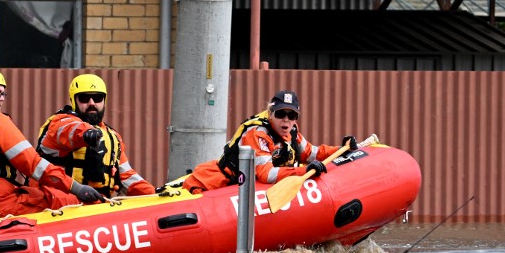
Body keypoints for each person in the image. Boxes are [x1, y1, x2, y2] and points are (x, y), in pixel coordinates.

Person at [0, 68, 105, 223]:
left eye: (3, 94)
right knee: (62, 199)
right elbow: (31, 163)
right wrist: (76, 188)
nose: (1, 99)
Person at [182, 90, 357, 193]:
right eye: (281, 114)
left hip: (244, 187)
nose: (286, 120)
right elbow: (266, 173)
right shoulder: (257, 133)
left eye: (292, 115)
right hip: (218, 183)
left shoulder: (292, 134)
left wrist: (344, 149)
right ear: (270, 114)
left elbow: (312, 153)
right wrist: (304, 171)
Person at [36, 73, 155, 198]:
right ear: (73, 100)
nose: (91, 103)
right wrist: (86, 133)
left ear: (104, 101)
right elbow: (70, 129)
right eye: (84, 98)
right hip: (58, 205)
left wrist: (155, 194)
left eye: (97, 98)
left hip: (97, 206)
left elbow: (127, 176)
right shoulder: (60, 122)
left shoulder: (112, 136)